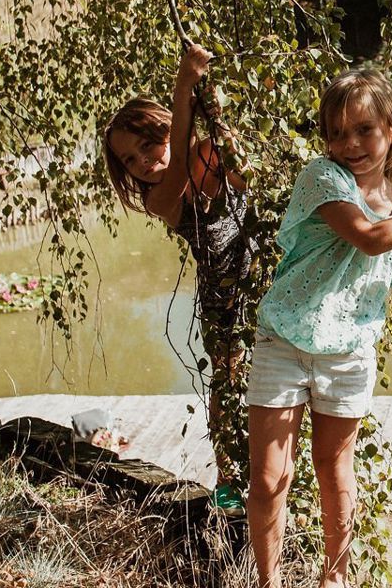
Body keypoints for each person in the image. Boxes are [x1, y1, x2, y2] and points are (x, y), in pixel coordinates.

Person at [246, 69, 392, 588]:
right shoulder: (323, 179)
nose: (349, 144)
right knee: (268, 478)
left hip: (349, 354)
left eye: (364, 130)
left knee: (334, 470)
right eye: (337, 133)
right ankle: (268, 582)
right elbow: (370, 238)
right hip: (285, 340)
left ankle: (335, 579)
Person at [103, 42, 254, 515]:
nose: (142, 162)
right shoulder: (160, 199)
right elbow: (184, 164)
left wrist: (209, 105)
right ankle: (229, 478)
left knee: (276, 386)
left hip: (266, 287)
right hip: (224, 304)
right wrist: (183, 86)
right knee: (228, 389)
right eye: (130, 160)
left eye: (148, 145)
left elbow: (246, 174)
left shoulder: (211, 152)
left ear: (169, 131)